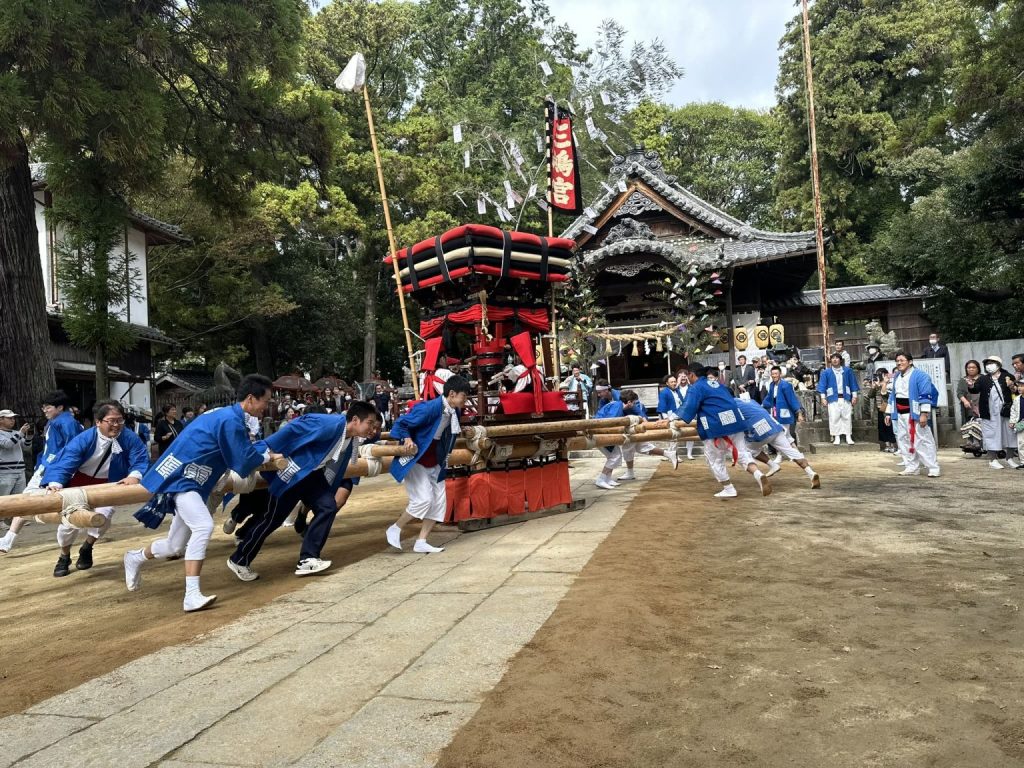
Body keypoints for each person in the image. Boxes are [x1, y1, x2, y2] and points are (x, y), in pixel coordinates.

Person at [123, 375, 281, 612]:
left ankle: (135, 557)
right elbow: (243, 459)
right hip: (182, 478)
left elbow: (242, 451)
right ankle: (191, 595)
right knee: (203, 526)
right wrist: (268, 456)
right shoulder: (231, 420)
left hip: (191, 479)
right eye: (265, 401)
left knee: (174, 546)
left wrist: (263, 454)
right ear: (251, 398)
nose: (265, 407)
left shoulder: (227, 416)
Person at [225, 401, 379, 581]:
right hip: (295, 471)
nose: (372, 428)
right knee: (272, 520)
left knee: (328, 506)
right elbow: (294, 429)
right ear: (355, 420)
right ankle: (239, 559)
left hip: (313, 475)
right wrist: (264, 449)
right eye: (369, 423)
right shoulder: (328, 424)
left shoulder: (351, 436)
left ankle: (308, 558)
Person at [41, 400, 149, 577]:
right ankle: (64, 555)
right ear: (98, 422)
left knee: (104, 516)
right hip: (79, 484)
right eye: (111, 421)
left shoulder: (129, 437)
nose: (116, 425)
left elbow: (139, 458)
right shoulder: (84, 438)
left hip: (109, 484)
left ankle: (87, 546)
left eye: (119, 420)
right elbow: (67, 460)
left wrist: (134, 475)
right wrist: (55, 483)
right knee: (68, 524)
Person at [385, 374, 471, 553]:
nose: (466, 400)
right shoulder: (430, 408)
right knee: (423, 500)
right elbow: (401, 423)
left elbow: (450, 431)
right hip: (418, 458)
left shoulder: (454, 411)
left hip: (436, 459)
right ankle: (396, 527)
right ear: (452, 394)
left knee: (439, 502)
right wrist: (407, 438)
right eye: (464, 396)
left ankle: (421, 541)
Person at [0, 390, 83, 553]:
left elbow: (72, 449)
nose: (44, 410)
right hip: (49, 466)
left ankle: (8, 539)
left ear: (60, 407)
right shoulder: (58, 421)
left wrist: (58, 469)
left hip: (54, 468)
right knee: (28, 500)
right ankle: (8, 538)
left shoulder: (66, 422)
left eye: (48, 407)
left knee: (27, 500)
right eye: (43, 407)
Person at [680, 366, 771, 499]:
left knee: (714, 459)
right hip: (734, 420)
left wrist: (673, 419)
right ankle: (758, 474)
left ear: (692, 375)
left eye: (688, 376)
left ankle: (729, 489)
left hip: (716, 424)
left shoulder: (697, 387)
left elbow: (688, 407)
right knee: (742, 453)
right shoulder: (718, 384)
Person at [735, 398, 820, 488]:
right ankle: (811, 473)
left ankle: (772, 465)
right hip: (774, 425)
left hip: (760, 428)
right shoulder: (749, 400)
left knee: (748, 449)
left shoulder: (731, 406)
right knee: (790, 451)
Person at [885, 352, 941, 477]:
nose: (899, 363)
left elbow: (925, 395)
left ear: (910, 362)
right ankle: (911, 466)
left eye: (902, 360)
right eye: (897, 361)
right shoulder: (897, 376)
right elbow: (892, 396)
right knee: (904, 440)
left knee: (923, 440)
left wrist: (924, 414)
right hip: (900, 413)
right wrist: (889, 412)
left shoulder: (921, 376)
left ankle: (933, 467)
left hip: (915, 413)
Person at [976, 355, 1019, 469]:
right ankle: (992, 460)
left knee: (1010, 433)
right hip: (989, 411)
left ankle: (1010, 458)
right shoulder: (982, 378)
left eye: (992, 363)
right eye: (987, 363)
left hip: (1006, 410)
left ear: (999, 365)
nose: (989, 365)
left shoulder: (1007, 376)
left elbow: (1016, 391)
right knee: (991, 434)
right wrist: (970, 385)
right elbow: (974, 389)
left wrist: (1012, 386)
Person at [817, 353, 859, 445]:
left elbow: (853, 383)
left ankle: (848, 436)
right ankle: (836, 436)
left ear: (840, 360)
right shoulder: (826, 372)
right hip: (833, 397)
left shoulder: (848, 371)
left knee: (847, 417)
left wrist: (854, 396)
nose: (835, 360)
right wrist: (823, 398)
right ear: (830, 360)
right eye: (833, 358)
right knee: (834, 417)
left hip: (845, 396)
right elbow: (822, 386)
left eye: (837, 358)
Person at [761, 365, 805, 446]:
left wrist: (799, 412)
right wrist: (762, 405)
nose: (774, 376)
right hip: (776, 413)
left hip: (785, 413)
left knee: (784, 434)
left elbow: (792, 399)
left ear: (780, 374)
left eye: (776, 374)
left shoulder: (786, 385)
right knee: (786, 435)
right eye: (773, 374)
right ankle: (795, 451)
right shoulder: (771, 385)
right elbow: (769, 397)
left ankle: (784, 452)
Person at [658, 373, 694, 460]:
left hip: (679, 415)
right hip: (669, 417)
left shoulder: (677, 391)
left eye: (675, 381)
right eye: (672, 382)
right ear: (667, 383)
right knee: (673, 437)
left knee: (676, 437)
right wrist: (666, 418)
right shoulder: (664, 392)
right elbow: (662, 406)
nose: (674, 383)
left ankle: (670, 454)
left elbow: (683, 402)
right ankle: (674, 455)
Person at [864, 368, 898, 453]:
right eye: (877, 374)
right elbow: (870, 396)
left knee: (890, 427)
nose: (879, 376)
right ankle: (887, 445)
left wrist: (883, 384)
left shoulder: (889, 384)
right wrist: (874, 387)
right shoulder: (876, 385)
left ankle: (893, 445)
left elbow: (886, 395)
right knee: (882, 428)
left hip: (888, 409)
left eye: (880, 374)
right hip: (879, 409)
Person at [0, 409, 30, 498]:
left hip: (20, 471)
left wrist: (29, 438)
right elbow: (7, 444)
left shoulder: (16, 433)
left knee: (19, 499)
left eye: (13, 418)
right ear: (1, 419)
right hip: (5, 473)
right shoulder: (17, 433)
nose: (13, 420)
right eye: (9, 418)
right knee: (3, 499)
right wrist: (21, 433)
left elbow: (26, 448)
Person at [956, 360, 983, 424]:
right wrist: (965, 401)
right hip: (969, 407)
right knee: (969, 425)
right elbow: (959, 393)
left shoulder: (983, 378)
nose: (971, 369)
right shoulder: (963, 380)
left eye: (973, 367)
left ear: (978, 368)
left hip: (982, 406)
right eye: (969, 368)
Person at [1008, 378, 1024, 469]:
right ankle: (1023, 461)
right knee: (1021, 443)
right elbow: (1013, 411)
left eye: (1022, 386)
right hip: (1020, 424)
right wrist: (1012, 421)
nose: (1019, 388)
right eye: (1019, 386)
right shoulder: (1017, 399)